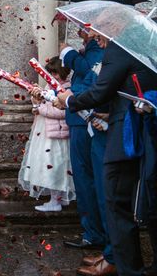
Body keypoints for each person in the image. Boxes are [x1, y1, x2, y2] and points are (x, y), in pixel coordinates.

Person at [56, 33, 157, 276]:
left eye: (97, 32)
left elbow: (102, 90)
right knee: (146, 201)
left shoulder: (120, 47)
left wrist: (70, 100)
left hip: (126, 135)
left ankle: (129, 269)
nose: (94, 38)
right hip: (140, 130)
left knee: (116, 200)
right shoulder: (143, 44)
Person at [59, 28, 107, 251]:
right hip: (79, 118)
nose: (79, 29)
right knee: (85, 179)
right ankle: (94, 232)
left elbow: (91, 79)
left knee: (87, 180)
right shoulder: (91, 47)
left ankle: (96, 234)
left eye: (84, 26)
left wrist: (68, 54)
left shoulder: (99, 47)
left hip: (86, 120)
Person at [20, 57, 75, 212]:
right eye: (50, 73)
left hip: (57, 134)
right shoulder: (50, 85)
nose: (53, 76)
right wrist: (37, 98)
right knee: (49, 164)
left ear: (63, 72)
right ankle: (58, 198)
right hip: (46, 130)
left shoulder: (68, 88)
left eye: (55, 73)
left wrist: (39, 107)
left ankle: (55, 200)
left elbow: (60, 111)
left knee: (55, 165)